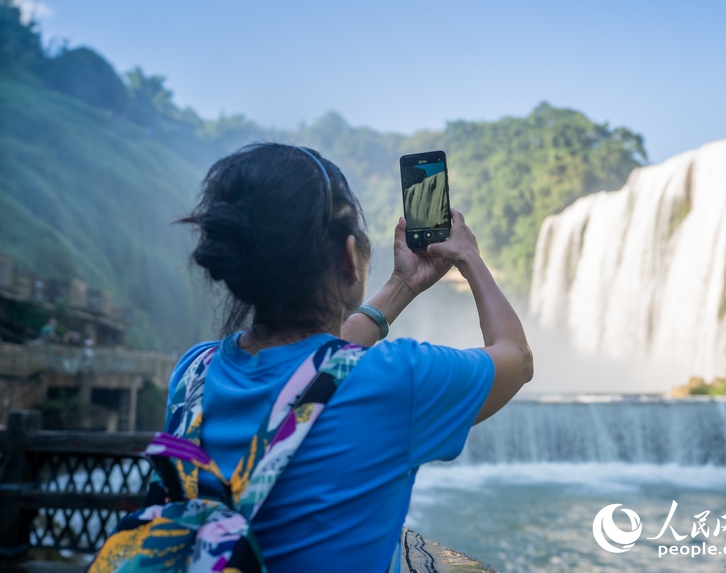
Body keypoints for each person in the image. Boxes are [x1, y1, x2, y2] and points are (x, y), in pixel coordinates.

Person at [171, 143, 533, 571]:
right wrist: (469, 257)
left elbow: (316, 370)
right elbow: (516, 357)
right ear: (348, 258)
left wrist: (402, 286)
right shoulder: (399, 379)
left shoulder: (194, 372)